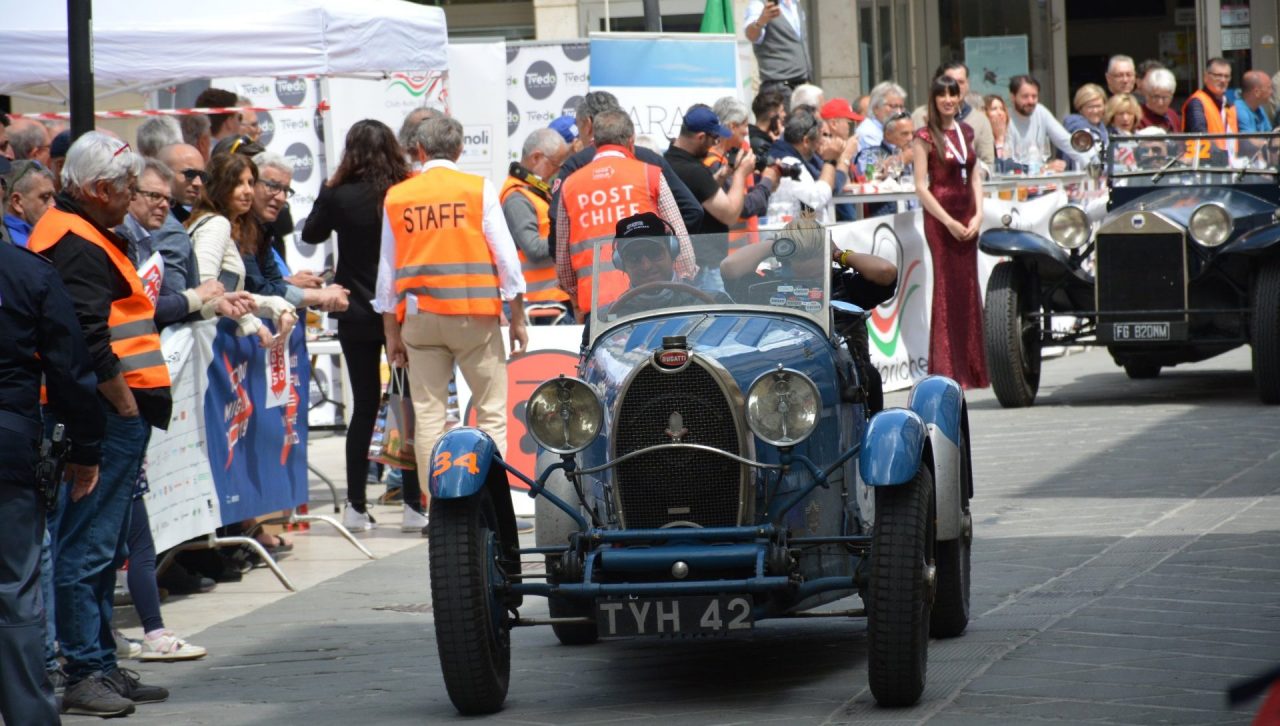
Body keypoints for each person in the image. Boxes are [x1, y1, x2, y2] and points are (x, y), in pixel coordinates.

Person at [27, 131, 171, 717]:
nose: (133, 196)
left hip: (106, 411)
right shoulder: (77, 241)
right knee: (87, 545)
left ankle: (100, 664)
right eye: (127, 187)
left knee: (101, 545)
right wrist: (125, 403)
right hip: (105, 412)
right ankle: (85, 669)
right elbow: (87, 338)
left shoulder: (77, 232)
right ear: (98, 189)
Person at [377, 116, 528, 468]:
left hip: (420, 320)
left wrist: (391, 333)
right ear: (460, 150)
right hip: (474, 318)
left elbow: (386, 274)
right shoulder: (477, 189)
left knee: (429, 416)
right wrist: (518, 317)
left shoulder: (398, 197)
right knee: (490, 412)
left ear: (420, 150)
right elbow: (507, 260)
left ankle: (434, 499)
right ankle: (489, 497)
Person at [303, 120, 430, 532]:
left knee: (363, 406)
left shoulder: (338, 193)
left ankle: (355, 506)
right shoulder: (404, 190)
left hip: (354, 309)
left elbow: (311, 233)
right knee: (405, 403)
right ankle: (412, 503)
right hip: (400, 309)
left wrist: (328, 191)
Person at [0, 229, 105, 725]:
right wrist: (86, 448)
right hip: (8, 447)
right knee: (14, 588)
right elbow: (70, 369)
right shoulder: (27, 273)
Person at [554, 109, 695, 319]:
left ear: (593, 143)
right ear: (631, 141)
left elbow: (563, 264)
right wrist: (685, 284)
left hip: (597, 307)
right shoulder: (649, 174)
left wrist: (577, 297)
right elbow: (680, 242)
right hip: (652, 297)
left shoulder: (570, 185)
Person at [912, 75, 988, 390]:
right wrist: (947, 221)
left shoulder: (966, 131)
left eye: (952, 94)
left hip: (968, 214)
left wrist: (979, 214)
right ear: (933, 99)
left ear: (959, 98)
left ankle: (974, 368)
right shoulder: (924, 136)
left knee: (969, 288)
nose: (948, 100)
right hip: (941, 219)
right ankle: (948, 370)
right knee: (946, 289)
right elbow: (920, 186)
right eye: (942, 94)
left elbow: (975, 177)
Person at [549, 91, 703, 241]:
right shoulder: (650, 159)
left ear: (588, 124)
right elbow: (692, 210)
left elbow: (557, 223)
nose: (578, 135)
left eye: (578, 126)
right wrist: (661, 246)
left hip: (591, 258)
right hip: (644, 256)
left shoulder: (575, 165)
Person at [187, 153, 297, 347]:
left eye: (250, 183)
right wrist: (255, 323)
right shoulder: (216, 225)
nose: (248, 191)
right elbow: (205, 292)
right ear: (220, 187)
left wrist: (276, 307)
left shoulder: (231, 226)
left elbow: (229, 295)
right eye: (238, 183)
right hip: (205, 340)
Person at [501, 128, 572, 320]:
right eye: (555, 164)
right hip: (537, 306)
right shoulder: (517, 199)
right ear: (536, 158)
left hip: (550, 300)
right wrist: (570, 235)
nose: (558, 171)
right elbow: (533, 248)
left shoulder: (535, 192)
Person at [766, 105, 857, 224]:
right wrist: (830, 160)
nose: (819, 145)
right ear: (806, 141)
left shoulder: (788, 156)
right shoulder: (788, 162)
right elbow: (818, 197)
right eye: (818, 139)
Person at [910, 62, 995, 168]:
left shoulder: (980, 121)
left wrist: (971, 174)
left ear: (967, 84)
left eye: (961, 82)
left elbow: (988, 163)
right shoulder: (919, 117)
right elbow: (910, 159)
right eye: (950, 81)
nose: (956, 86)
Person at [1004, 74, 1089, 172]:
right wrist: (1044, 168)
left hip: (1041, 177)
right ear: (1013, 97)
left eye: (1034, 96)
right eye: (1025, 96)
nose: (1030, 101)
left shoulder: (1040, 111)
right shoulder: (1006, 118)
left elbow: (1066, 141)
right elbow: (1009, 163)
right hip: (1017, 178)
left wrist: (1090, 164)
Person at [744, 0, 811, 108]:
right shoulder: (759, 4)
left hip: (801, 84)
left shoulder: (796, 3)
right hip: (778, 86)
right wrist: (760, 21)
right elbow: (751, 36)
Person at [3, 160, 56, 247]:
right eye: (45, 197)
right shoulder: (20, 247)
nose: (53, 204)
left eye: (53, 197)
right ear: (17, 202)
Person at [1183, 58, 1238, 135]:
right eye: (1218, 75)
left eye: (1226, 76)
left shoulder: (1228, 104)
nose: (1223, 80)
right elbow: (1200, 135)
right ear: (1206, 77)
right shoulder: (1197, 103)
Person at [1063, 83, 1110, 161]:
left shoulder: (1103, 129)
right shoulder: (1079, 130)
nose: (1095, 111)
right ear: (1080, 109)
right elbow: (1091, 161)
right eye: (1090, 107)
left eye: (1098, 106)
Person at [855, 82, 907, 152]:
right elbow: (878, 158)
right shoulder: (868, 133)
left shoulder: (890, 129)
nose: (899, 112)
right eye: (893, 106)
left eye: (901, 107)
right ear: (876, 108)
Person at [749, 90, 787, 160]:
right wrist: (781, 143)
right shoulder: (761, 146)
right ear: (772, 114)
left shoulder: (751, 136)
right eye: (782, 111)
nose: (784, 114)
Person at [985, 95, 1011, 167]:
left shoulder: (1012, 137)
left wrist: (1001, 138)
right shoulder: (983, 140)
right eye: (994, 109)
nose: (1000, 113)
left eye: (1002, 109)